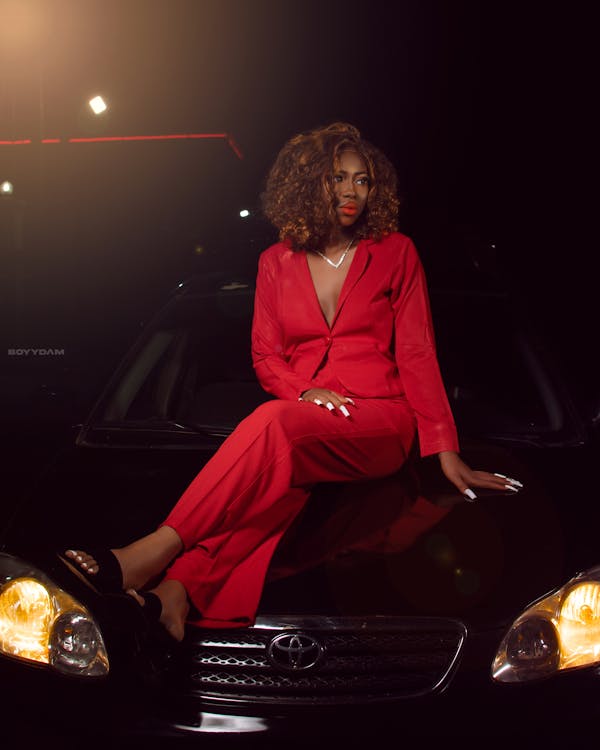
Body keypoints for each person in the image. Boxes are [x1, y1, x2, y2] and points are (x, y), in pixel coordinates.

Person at [60, 122, 522, 641]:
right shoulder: (275, 262)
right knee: (265, 497)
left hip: (378, 419)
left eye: (363, 180)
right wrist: (303, 391)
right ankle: (176, 593)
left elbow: (417, 352)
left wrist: (444, 447)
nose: (351, 192)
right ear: (309, 184)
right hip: (308, 419)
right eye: (337, 178)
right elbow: (265, 355)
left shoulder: (396, 252)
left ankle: (149, 552)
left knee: (272, 423)